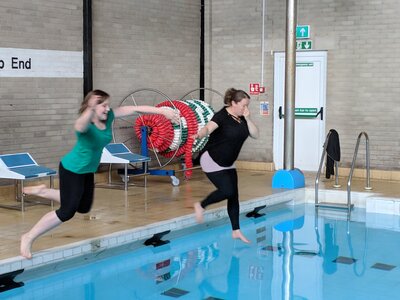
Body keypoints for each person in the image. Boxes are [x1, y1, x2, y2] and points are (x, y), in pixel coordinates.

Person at [20, 89, 180, 259]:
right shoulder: (86, 125)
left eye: (107, 105)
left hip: (88, 170)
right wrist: (89, 109)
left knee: (83, 207)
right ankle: (28, 237)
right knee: (67, 211)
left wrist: (163, 111)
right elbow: (79, 126)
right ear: (92, 107)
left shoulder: (108, 116)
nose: (107, 109)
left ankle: (43, 191)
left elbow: (134, 109)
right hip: (72, 170)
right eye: (103, 105)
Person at [193, 88, 259, 243]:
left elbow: (256, 135)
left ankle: (236, 230)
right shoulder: (221, 116)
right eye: (243, 105)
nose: (245, 109)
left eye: (247, 105)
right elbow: (208, 128)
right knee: (227, 191)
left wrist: (248, 119)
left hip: (228, 163)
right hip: (212, 160)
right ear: (233, 103)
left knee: (234, 196)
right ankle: (201, 205)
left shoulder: (242, 118)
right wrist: (198, 134)